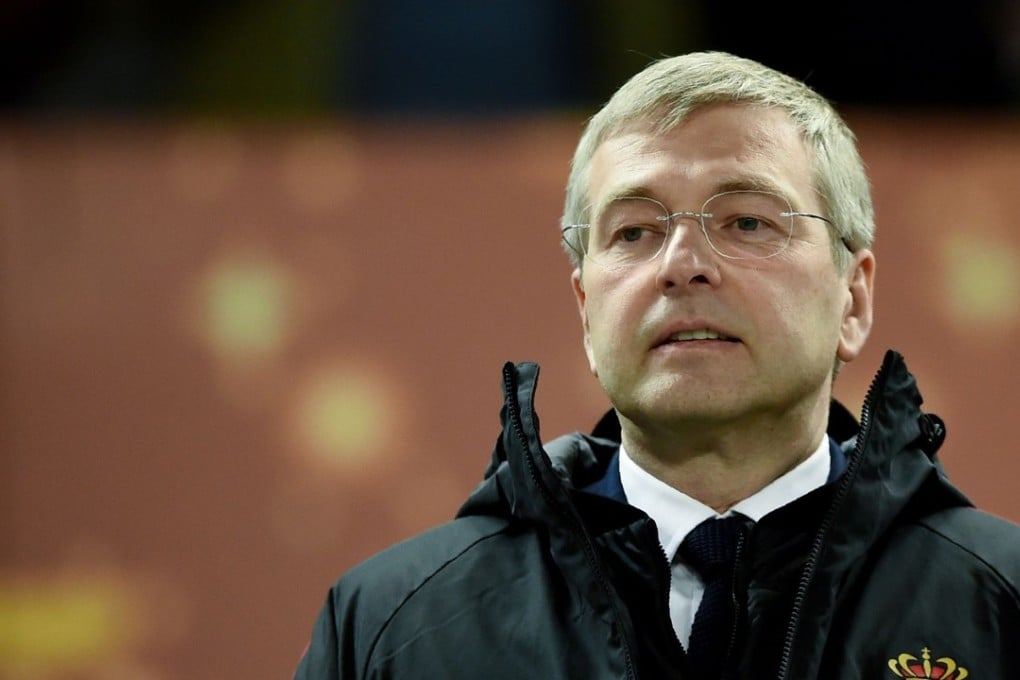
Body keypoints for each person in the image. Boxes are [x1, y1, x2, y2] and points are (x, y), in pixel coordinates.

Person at [294, 51, 1020, 679]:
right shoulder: (391, 623)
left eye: (746, 221)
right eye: (634, 230)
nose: (682, 265)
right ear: (586, 309)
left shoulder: (1001, 600)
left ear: (853, 298)